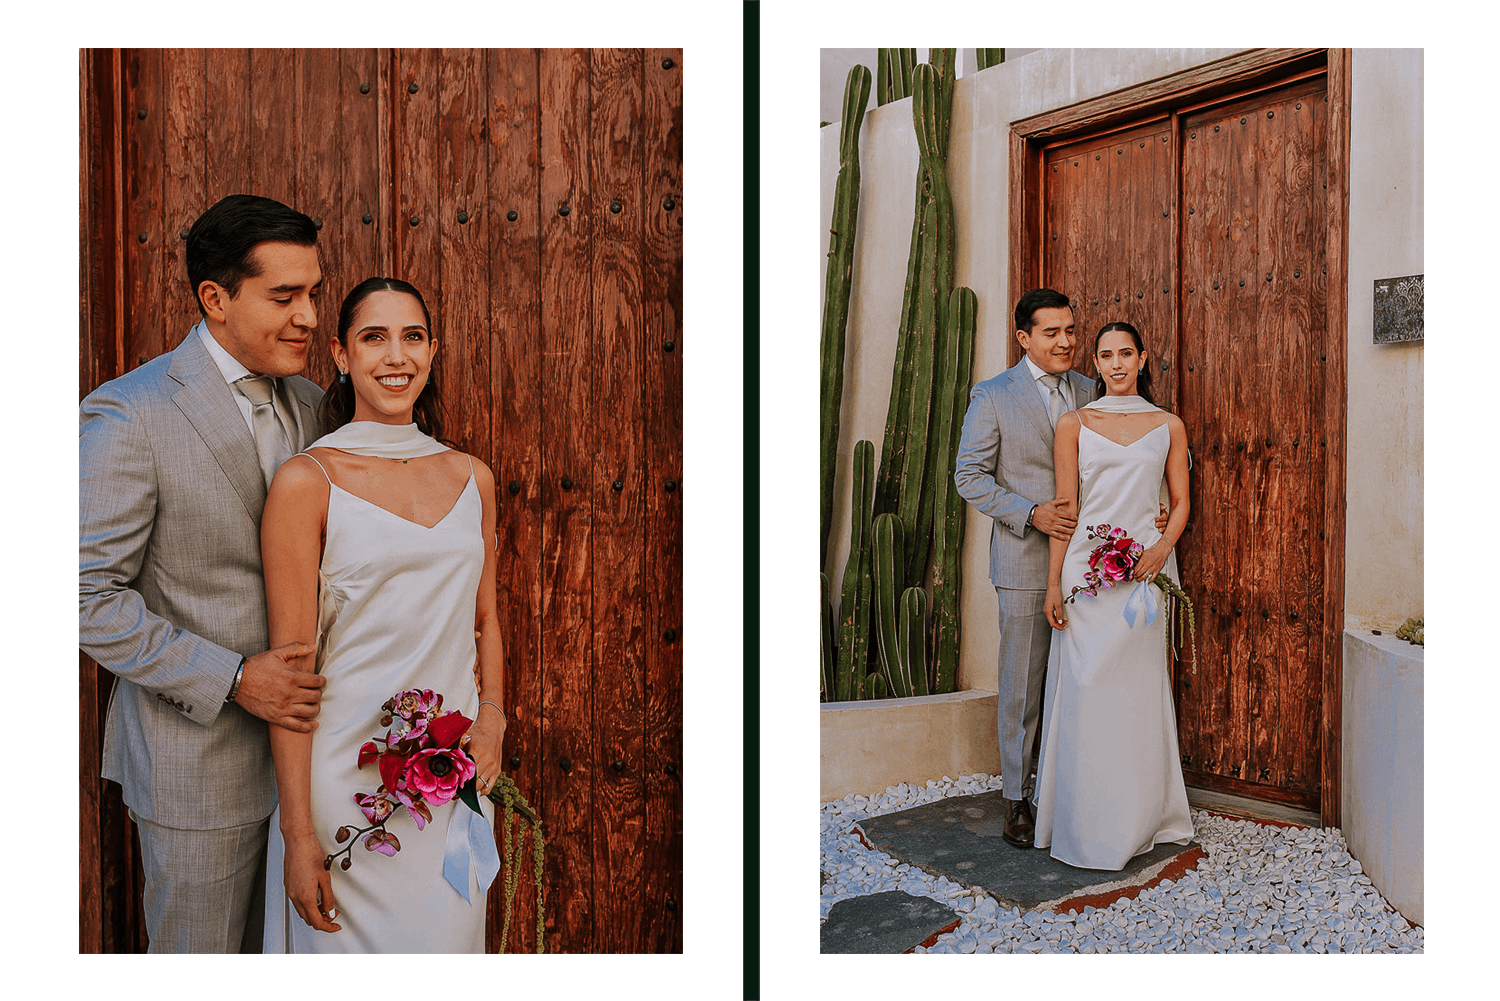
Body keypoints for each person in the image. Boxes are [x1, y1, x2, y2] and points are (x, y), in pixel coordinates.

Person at [79, 194, 330, 952]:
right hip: (196, 768)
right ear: (214, 299)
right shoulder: (129, 412)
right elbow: (82, 595)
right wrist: (231, 676)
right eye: (284, 296)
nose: (310, 317)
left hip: (321, 767)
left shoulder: (320, 406)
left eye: (314, 292)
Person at [259, 276, 507, 953]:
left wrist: (494, 715)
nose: (396, 356)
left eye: (413, 336)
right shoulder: (306, 481)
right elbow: (290, 674)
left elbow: (484, 616)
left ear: (434, 349)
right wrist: (299, 834)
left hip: (447, 780)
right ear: (340, 354)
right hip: (344, 789)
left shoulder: (471, 475)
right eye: (374, 337)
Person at [953, 289, 1167, 850]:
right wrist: (1030, 513)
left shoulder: (1090, 388)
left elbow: (1122, 461)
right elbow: (968, 476)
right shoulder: (994, 395)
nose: (1067, 342)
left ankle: (1069, 793)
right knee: (1023, 686)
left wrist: (1155, 507)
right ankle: (1016, 800)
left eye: (1072, 331)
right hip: (1026, 561)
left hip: (1091, 567)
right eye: (1052, 333)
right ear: (1024, 338)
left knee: (1079, 684)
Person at [1032, 320, 1195, 870]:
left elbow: (1181, 499)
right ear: (1095, 364)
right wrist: (1054, 582)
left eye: (1127, 353)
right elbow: (1064, 510)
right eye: (1106, 355)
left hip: (1147, 573)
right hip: (1086, 576)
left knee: (1137, 691)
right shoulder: (1072, 424)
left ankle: (1142, 818)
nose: (1117, 363)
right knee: (1087, 689)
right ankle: (1084, 820)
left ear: (1144, 358)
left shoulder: (1169, 425)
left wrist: (1161, 546)